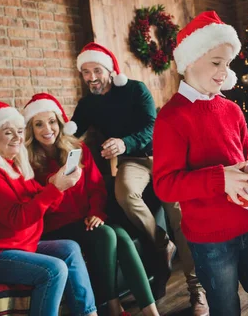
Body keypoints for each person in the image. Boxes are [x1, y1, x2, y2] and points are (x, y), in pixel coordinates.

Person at [152, 11, 248, 315]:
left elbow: (245, 160)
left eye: (228, 63)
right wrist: (220, 178)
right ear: (191, 60)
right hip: (211, 242)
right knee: (225, 309)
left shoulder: (233, 110)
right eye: (216, 62)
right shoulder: (171, 118)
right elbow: (165, 186)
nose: (224, 71)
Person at [70, 42, 207, 313]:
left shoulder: (135, 90)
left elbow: (152, 127)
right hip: (132, 163)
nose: (91, 77)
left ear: (110, 70)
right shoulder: (87, 104)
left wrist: (123, 143)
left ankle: (197, 291)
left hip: (163, 156)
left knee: (180, 217)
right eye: (85, 72)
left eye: (96, 70)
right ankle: (161, 243)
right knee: (124, 194)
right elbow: (71, 133)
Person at [0, 101, 97, 316]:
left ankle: (88, 313)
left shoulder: (13, 166)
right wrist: (55, 188)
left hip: (13, 244)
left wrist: (58, 184)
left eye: (19, 131)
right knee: (53, 270)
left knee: (69, 248)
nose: (18, 138)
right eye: (8, 132)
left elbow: (45, 202)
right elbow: (18, 218)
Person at [23, 93, 159, 316]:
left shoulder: (77, 150)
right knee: (106, 235)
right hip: (54, 227)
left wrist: (97, 212)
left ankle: (151, 310)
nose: (47, 129)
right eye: (38, 124)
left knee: (121, 236)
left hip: (84, 220)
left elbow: (96, 187)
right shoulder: (29, 164)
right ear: (31, 129)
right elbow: (43, 207)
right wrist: (55, 184)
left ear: (60, 123)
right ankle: (113, 307)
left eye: (52, 122)